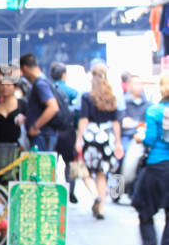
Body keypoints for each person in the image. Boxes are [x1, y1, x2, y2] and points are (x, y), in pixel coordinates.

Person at [74, 63, 124, 219]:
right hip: (107, 136)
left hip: (90, 135)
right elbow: (116, 122)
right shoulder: (112, 96)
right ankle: (101, 208)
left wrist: (79, 138)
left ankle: (95, 195)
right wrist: (117, 142)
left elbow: (84, 119)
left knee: (83, 170)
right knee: (101, 173)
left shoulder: (87, 96)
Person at [131, 72, 169, 245]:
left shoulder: (154, 111)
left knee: (143, 206)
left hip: (156, 165)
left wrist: (139, 138)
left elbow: (150, 140)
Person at [49, 63, 80, 202]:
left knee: (51, 162)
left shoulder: (48, 89)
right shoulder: (73, 92)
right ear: (64, 75)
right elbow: (79, 113)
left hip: (52, 131)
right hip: (69, 132)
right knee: (71, 163)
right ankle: (71, 190)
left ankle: (49, 189)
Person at [20, 53, 61, 151]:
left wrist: (35, 126)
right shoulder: (42, 82)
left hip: (43, 136)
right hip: (44, 135)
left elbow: (53, 107)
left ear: (25, 68)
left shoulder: (40, 84)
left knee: (42, 166)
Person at [0, 70, 23, 144]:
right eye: (2, 85)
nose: (5, 87)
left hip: (18, 145)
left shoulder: (22, 104)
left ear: (14, 87)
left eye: (8, 85)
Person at [119, 72, 150, 146]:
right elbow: (123, 123)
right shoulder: (123, 102)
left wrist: (136, 124)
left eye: (140, 83)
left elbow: (149, 124)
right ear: (129, 85)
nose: (139, 86)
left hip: (143, 137)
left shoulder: (148, 104)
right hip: (126, 137)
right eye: (136, 83)